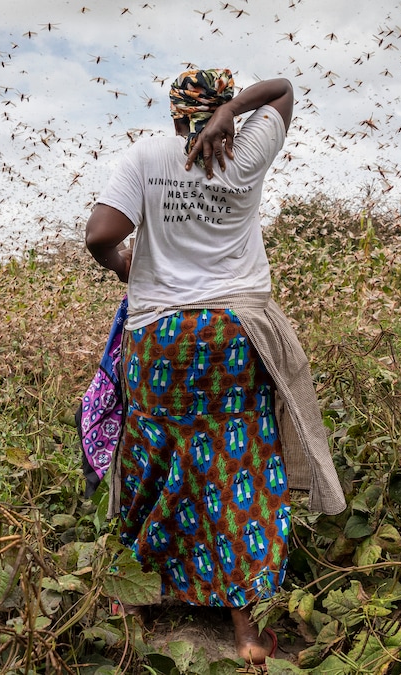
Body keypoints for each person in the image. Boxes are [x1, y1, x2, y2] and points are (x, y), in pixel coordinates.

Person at [85, 69, 345, 666]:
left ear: (175, 114)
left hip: (162, 339)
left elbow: (101, 234)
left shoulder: (146, 156)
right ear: (221, 110)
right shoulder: (245, 150)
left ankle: (135, 598)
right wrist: (235, 111)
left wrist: (129, 269)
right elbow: (282, 88)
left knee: (151, 451)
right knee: (237, 461)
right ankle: (246, 631)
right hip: (235, 333)